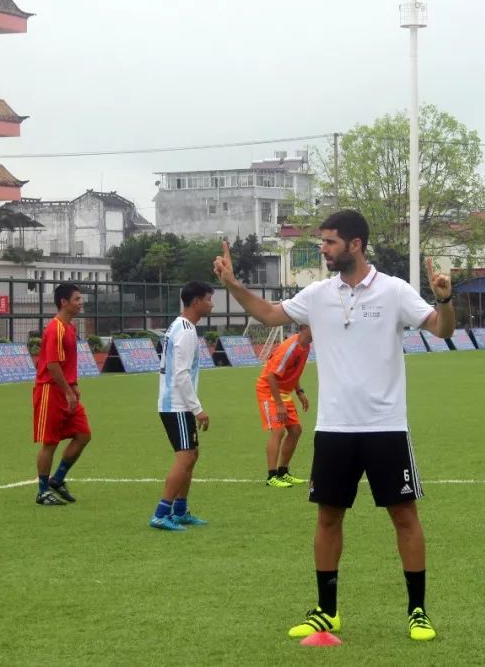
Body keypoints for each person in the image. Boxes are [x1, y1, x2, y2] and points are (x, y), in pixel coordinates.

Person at [213, 208, 454, 641]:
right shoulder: (318, 294)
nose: (322, 249)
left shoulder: (395, 291)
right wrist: (232, 284)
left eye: (328, 242)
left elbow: (441, 330)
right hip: (333, 429)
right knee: (328, 517)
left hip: (385, 427)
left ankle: (417, 611)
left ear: (355, 245)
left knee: (404, 516)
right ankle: (327, 611)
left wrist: (444, 299)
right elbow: (270, 314)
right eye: (322, 242)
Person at [150, 281, 215, 531]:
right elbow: (181, 374)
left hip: (177, 404)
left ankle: (179, 511)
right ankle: (161, 513)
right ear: (197, 301)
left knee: (192, 455)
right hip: (176, 405)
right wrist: (197, 408)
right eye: (209, 299)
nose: (212, 303)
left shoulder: (179, 325)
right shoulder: (186, 331)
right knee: (185, 456)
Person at [32, 283, 92, 506]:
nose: (80, 302)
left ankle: (57, 479)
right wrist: (68, 391)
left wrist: (73, 386)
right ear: (63, 302)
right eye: (76, 299)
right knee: (50, 443)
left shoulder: (70, 327)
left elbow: (66, 364)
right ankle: (42, 490)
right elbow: (53, 366)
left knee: (83, 434)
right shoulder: (55, 328)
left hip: (66, 389)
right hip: (50, 390)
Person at [256, 325, 313, 487]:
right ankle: (271, 476)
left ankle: (283, 471)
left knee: (295, 430)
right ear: (304, 328)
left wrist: (300, 391)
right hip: (268, 390)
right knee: (278, 430)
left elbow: (293, 372)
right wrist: (279, 405)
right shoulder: (290, 347)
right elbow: (271, 376)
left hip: (284, 391)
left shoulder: (306, 346)